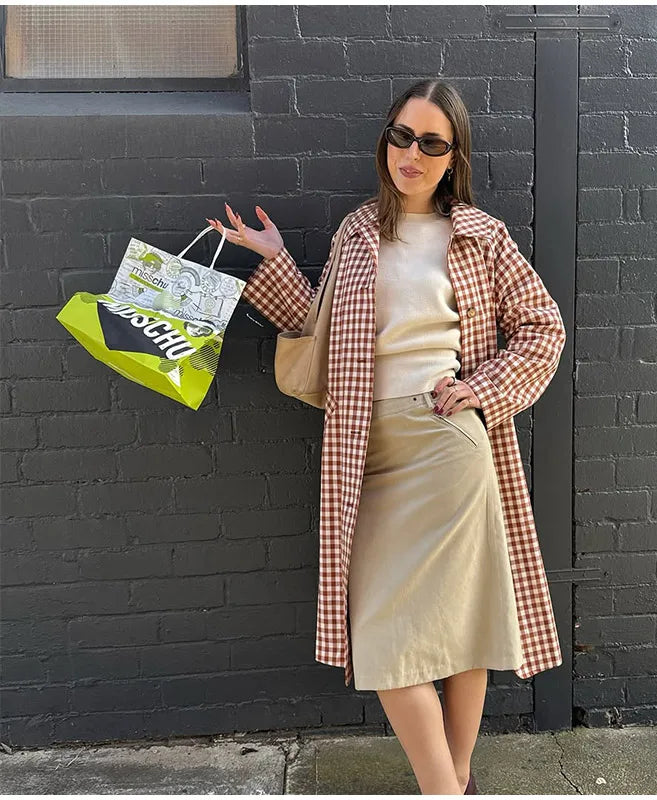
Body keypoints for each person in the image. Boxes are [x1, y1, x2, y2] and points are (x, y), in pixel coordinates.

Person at [207, 79, 566, 796]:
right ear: (387, 141)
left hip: (446, 443)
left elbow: (542, 327)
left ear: (453, 154)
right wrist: (276, 259)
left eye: (431, 142)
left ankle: (446, 786)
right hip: (367, 445)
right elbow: (327, 336)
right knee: (382, 629)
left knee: (465, 619)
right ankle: (454, 785)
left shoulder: (480, 234)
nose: (412, 153)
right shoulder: (357, 231)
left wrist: (483, 390)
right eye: (402, 136)